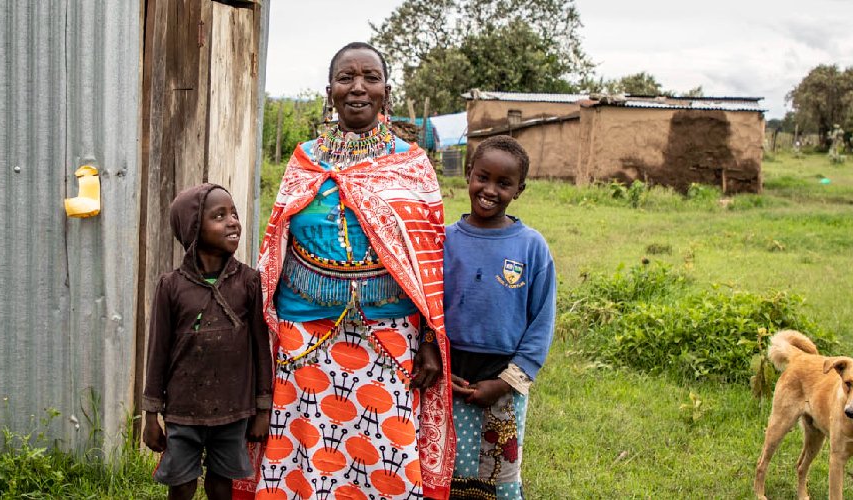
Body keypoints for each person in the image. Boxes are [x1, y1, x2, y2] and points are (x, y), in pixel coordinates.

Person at [237, 41, 455, 500]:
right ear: (330, 90)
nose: (358, 88)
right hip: (303, 333)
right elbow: (277, 241)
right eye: (346, 78)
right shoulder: (305, 160)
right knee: (304, 442)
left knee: (387, 444)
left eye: (370, 78)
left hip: (388, 332)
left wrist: (432, 342)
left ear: (386, 91)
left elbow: (430, 260)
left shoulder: (411, 165)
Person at [442, 136, 556, 500]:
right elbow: (427, 309)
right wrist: (438, 364)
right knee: (445, 469)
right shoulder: (443, 240)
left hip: (502, 377)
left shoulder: (531, 246)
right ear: (467, 175)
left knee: (499, 475)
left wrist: (506, 382)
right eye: (482, 177)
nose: (490, 190)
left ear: (519, 190)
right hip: (450, 374)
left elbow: (542, 322)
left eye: (503, 184)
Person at [143, 183, 272, 500]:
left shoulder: (249, 282)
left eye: (234, 214)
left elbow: (260, 348)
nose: (233, 222)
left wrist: (262, 409)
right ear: (193, 229)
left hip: (233, 409)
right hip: (183, 410)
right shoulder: (171, 286)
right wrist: (150, 415)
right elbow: (157, 352)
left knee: (221, 484)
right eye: (219, 216)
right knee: (182, 484)